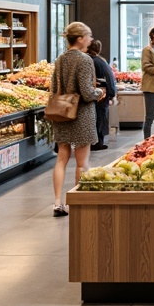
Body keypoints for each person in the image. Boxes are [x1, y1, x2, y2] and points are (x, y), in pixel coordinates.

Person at [50, 22, 105, 216]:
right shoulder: (84, 60)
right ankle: (78, 202)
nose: (91, 40)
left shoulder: (59, 59)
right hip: (81, 114)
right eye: (88, 36)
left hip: (61, 112)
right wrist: (98, 91)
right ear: (80, 38)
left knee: (61, 158)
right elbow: (86, 92)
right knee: (82, 162)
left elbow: (53, 87)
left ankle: (58, 202)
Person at [86, 39, 116, 151]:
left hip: (96, 93)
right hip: (101, 94)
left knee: (96, 118)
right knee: (100, 118)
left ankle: (95, 142)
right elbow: (109, 79)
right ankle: (97, 143)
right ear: (99, 49)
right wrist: (112, 94)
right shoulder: (100, 61)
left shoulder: (89, 61)